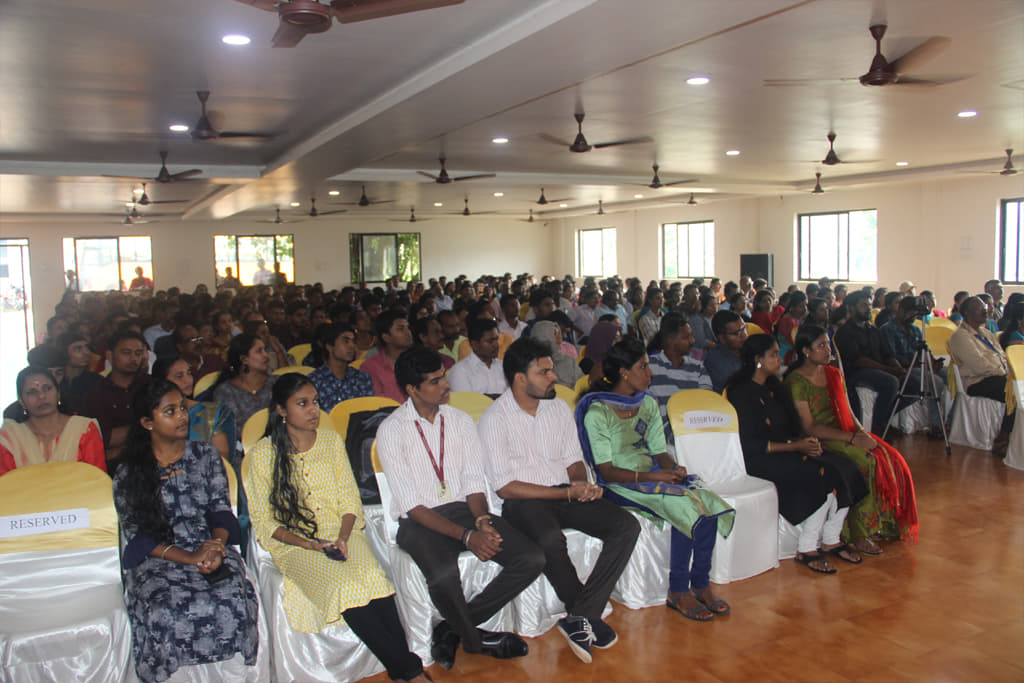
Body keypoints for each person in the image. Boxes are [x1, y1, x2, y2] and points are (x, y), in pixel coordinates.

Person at [244, 375, 429, 682]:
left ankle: (403, 670)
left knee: (375, 580)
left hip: (342, 533)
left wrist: (343, 538)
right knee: (345, 587)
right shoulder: (263, 454)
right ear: (281, 410)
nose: (313, 410)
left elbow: (349, 501)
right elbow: (266, 522)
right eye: (302, 403)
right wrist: (310, 545)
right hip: (296, 545)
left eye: (315, 402)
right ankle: (410, 672)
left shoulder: (330, 441)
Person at [376, 347, 543, 670]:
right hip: (420, 522)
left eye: (444, 376)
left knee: (531, 558)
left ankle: (453, 628)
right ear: (412, 390)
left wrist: (481, 520)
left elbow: (472, 483)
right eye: (435, 381)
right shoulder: (392, 430)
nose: (446, 385)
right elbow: (411, 505)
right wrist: (467, 538)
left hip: (466, 511)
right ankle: (478, 640)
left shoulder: (461, 421)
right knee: (442, 575)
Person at [478, 338, 639, 663]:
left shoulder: (558, 408)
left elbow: (573, 459)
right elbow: (506, 487)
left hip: (564, 492)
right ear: (520, 378)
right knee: (550, 538)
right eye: (544, 371)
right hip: (524, 502)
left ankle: (582, 614)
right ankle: (585, 614)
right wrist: (567, 492)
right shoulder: (494, 418)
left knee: (626, 526)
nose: (554, 377)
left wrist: (581, 484)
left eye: (551, 370)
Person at [578, 338, 734, 622]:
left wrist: (674, 469)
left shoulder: (647, 403)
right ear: (624, 372)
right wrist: (655, 476)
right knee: (686, 508)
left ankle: (701, 584)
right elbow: (607, 471)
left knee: (708, 503)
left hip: (648, 473)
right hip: (618, 484)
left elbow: (659, 451)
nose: (650, 373)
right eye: (643, 367)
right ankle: (678, 589)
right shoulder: (598, 411)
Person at [113, 379, 259, 683]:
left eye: (182, 407)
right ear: (146, 422)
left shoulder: (204, 455)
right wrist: (190, 558)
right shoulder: (130, 471)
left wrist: (217, 547)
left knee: (234, 594)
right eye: (170, 411)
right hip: (160, 555)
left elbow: (221, 509)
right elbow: (138, 534)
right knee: (162, 608)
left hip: (208, 543)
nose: (182, 416)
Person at [726, 336, 868, 574]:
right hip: (761, 458)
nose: (779, 359)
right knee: (821, 474)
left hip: (789, 449)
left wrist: (808, 444)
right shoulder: (740, 393)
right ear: (757, 360)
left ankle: (831, 539)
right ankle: (807, 547)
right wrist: (797, 447)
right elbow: (751, 445)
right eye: (773, 354)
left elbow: (792, 430)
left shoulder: (775, 388)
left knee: (846, 467)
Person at [784, 326, 919, 555]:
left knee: (891, 458)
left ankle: (884, 521)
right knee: (866, 461)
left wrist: (861, 433)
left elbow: (848, 411)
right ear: (806, 351)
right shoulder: (796, 381)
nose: (829, 350)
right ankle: (858, 532)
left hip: (845, 431)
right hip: (819, 438)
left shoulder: (833, 374)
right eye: (822, 346)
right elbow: (809, 427)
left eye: (828, 344)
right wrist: (852, 438)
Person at [0, 367, 105, 476]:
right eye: (32, 392)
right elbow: (6, 486)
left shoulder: (84, 429)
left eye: (47, 388)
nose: (41, 396)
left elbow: (97, 479)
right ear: (21, 401)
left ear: (58, 393)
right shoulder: (9, 438)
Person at [833, 291, 902, 435]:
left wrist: (897, 366)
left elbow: (887, 354)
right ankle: (878, 426)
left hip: (879, 369)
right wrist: (889, 370)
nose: (868, 308)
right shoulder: (845, 332)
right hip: (857, 373)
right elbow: (859, 361)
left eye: (869, 305)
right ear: (851, 308)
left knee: (911, 381)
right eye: (863, 305)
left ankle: (886, 419)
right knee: (891, 382)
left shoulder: (874, 330)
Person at [948, 296, 1012, 449]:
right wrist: (1004, 373)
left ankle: (1011, 434)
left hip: (996, 377)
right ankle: (1004, 435)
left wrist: (1009, 372)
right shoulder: (960, 336)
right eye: (980, 308)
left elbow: (1003, 356)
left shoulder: (987, 333)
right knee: (1011, 388)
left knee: (1014, 386)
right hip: (977, 382)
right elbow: (979, 365)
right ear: (967, 314)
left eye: (985, 307)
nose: (985, 310)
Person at [152, 357, 237, 467]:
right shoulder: (155, 416)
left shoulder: (212, 413)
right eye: (179, 376)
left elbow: (221, 460)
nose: (188, 380)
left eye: (189, 373)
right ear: (162, 381)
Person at [880, 297, 947, 434]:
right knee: (937, 382)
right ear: (901, 311)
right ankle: (936, 425)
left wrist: (933, 362)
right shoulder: (888, 329)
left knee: (949, 375)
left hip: (921, 365)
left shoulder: (915, 330)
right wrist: (915, 363)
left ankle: (950, 420)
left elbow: (926, 349)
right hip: (906, 368)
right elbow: (891, 355)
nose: (913, 317)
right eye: (911, 313)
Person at [646, 314, 712, 451]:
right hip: (664, 432)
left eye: (691, 336)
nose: (692, 341)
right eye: (686, 337)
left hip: (694, 427)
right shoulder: (650, 366)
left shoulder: (698, 367)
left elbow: (707, 402)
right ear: (671, 341)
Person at [83, 330, 151, 462]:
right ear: (109, 355)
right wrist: (147, 427)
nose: (133, 358)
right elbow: (104, 438)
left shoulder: (151, 384)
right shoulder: (96, 393)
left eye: (138, 353)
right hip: (116, 463)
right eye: (126, 353)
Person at [213, 333, 279, 429]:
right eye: (259, 351)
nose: (266, 355)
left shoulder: (277, 382)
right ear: (244, 359)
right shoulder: (225, 392)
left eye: (265, 350)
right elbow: (229, 429)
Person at [307, 322, 374, 412]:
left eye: (353, 342)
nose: (351, 346)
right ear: (330, 346)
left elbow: (369, 413)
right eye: (345, 341)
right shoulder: (314, 381)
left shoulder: (362, 378)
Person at [360, 311, 414, 403]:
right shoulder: (371, 367)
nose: (408, 332)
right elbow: (379, 404)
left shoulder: (420, 360)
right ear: (386, 337)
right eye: (400, 329)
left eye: (407, 327)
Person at [447, 318, 508, 396]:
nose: (496, 345)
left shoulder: (504, 366)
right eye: (490, 341)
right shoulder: (460, 371)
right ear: (475, 344)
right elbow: (465, 405)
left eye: (496, 339)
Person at [56, 331, 103, 416]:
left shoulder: (97, 381)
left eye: (87, 348)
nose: (86, 353)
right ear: (64, 353)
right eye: (78, 349)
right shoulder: (55, 381)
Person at [528, 320, 583, 389]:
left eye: (559, 333)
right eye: (554, 334)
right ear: (542, 337)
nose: (560, 337)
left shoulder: (569, 361)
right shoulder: (531, 365)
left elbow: (581, 385)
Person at [703, 310, 748, 393]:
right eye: (737, 333)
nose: (744, 335)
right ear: (722, 339)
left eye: (744, 328)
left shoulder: (748, 348)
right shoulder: (715, 361)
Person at [774, 290, 806, 363]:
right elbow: (796, 342)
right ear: (792, 307)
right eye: (801, 306)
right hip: (785, 358)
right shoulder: (788, 321)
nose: (804, 309)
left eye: (805, 305)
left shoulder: (795, 319)